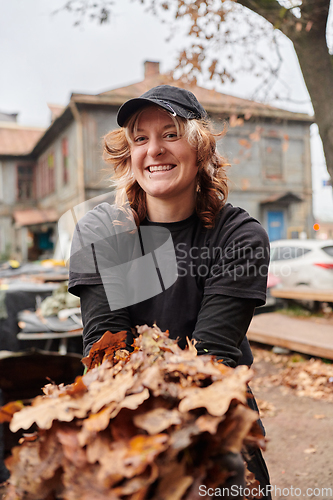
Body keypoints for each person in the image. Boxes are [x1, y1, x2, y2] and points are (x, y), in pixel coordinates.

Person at [68, 84, 271, 497]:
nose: (154, 150)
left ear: (201, 150)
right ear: (129, 156)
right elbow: (106, 348)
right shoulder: (102, 231)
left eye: (171, 134)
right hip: (120, 413)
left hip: (212, 414)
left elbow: (213, 355)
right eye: (140, 139)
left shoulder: (239, 235)